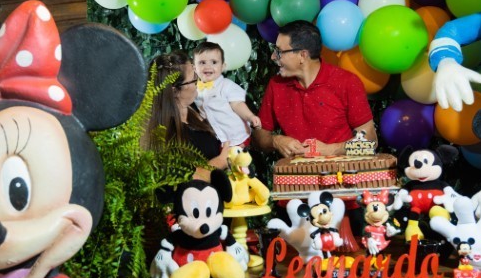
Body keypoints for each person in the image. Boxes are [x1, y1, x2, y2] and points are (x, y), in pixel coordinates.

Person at [253, 20, 376, 157]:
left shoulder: (347, 82)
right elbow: (258, 138)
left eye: (279, 52)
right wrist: (275, 141)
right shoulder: (276, 85)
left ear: (302, 55)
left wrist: (331, 150)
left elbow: (370, 142)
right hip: (297, 170)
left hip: (341, 170)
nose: (273, 57)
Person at [146, 50, 230, 178]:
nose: (199, 80)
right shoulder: (166, 136)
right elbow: (185, 180)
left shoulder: (195, 109)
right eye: (194, 79)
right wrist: (221, 161)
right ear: (174, 91)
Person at [193, 41, 261, 147]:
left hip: (237, 136)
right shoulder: (195, 90)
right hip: (219, 139)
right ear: (194, 68)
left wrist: (250, 116)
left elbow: (237, 104)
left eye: (214, 62)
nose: (208, 67)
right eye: (202, 62)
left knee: (237, 157)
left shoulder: (226, 86)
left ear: (223, 66)